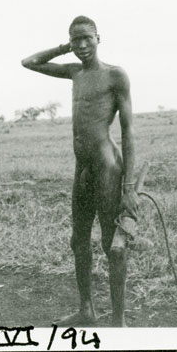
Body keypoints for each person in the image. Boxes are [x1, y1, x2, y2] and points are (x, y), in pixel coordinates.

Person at [21, 16, 139, 327]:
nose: (82, 45)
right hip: (83, 169)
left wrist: (128, 187)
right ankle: (87, 311)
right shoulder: (74, 73)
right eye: (76, 40)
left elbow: (128, 132)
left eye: (87, 38)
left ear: (99, 37)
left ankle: (118, 322)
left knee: (111, 245)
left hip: (107, 167)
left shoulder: (115, 76)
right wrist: (64, 47)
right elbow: (29, 61)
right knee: (79, 240)